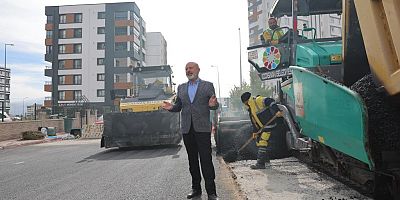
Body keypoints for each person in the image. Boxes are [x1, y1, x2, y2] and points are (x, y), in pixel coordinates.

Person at [162, 62, 219, 200]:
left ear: (198, 70)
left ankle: (211, 193)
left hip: (202, 129)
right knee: (192, 161)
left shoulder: (207, 86)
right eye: (186, 68)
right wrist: (171, 108)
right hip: (187, 130)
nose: (188, 70)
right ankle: (196, 189)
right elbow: (179, 106)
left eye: (191, 68)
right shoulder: (181, 88)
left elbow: (214, 104)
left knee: (206, 160)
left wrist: (213, 105)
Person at [240, 92, 283, 169]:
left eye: (244, 103)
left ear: (246, 101)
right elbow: (254, 122)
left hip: (269, 125)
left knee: (262, 142)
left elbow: (270, 101)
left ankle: (260, 163)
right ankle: (266, 160)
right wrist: (255, 132)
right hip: (262, 127)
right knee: (258, 142)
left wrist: (277, 110)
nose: (245, 105)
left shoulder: (258, 100)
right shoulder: (251, 109)